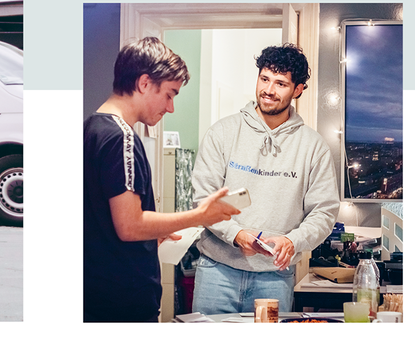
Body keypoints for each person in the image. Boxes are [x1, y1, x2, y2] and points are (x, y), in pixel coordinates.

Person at [85, 37, 243, 323]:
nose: (170, 107)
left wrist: (154, 233)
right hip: (120, 303)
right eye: (169, 94)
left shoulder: (92, 128)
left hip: (98, 297)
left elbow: (106, 224)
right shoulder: (120, 137)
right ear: (144, 83)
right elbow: (129, 226)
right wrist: (199, 216)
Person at [188, 44, 340, 317]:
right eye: (264, 78)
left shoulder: (313, 146)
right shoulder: (222, 133)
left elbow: (325, 212)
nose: (269, 90)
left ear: (298, 90)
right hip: (216, 271)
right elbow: (203, 199)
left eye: (281, 83)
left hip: (274, 276)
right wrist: (236, 235)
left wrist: (294, 240)